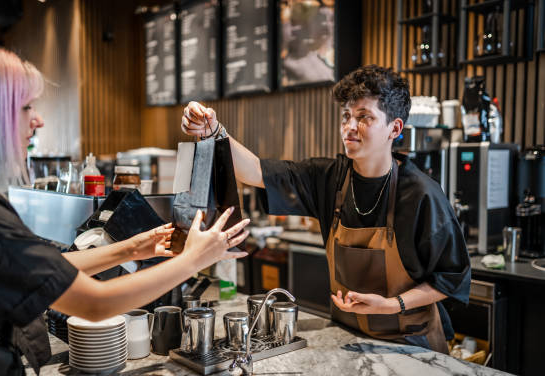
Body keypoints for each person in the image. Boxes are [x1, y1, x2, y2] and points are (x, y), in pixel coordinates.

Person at [0, 34, 250, 376]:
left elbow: (48, 271)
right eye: (25, 106)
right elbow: (94, 303)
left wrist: (132, 248)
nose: (38, 120)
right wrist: (193, 259)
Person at [181, 65, 471, 354]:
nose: (350, 126)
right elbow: (255, 171)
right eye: (346, 116)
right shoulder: (329, 178)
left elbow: (451, 279)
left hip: (412, 344)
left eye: (364, 117)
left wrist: (392, 305)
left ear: (394, 129)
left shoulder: (422, 194)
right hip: (349, 338)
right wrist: (214, 132)